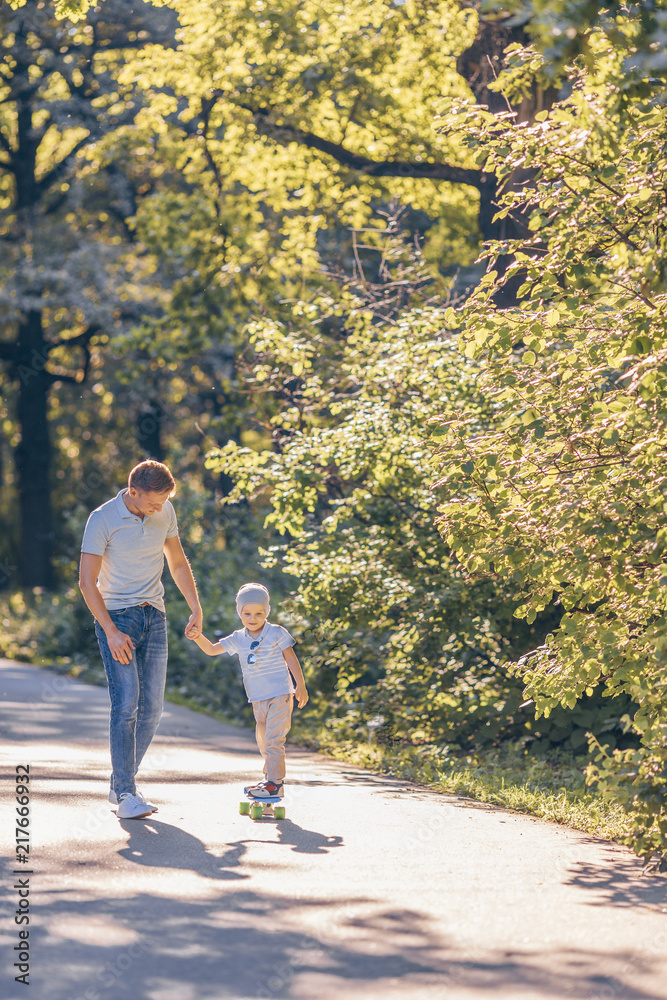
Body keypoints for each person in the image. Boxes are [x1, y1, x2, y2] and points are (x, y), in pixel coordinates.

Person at [79, 460, 203, 819]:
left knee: (154, 709)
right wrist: (111, 631)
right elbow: (87, 582)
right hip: (118, 617)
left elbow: (177, 563)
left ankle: (122, 782)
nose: (160, 508)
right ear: (133, 492)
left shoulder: (165, 511)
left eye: (165, 501)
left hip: (156, 616)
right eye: (154, 502)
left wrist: (195, 607)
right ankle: (125, 793)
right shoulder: (102, 519)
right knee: (126, 703)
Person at [189, 582, 308, 798]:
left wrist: (300, 685)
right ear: (239, 613)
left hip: (281, 693)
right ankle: (270, 781)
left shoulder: (276, 632)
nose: (253, 618)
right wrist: (198, 636)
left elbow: (290, 657)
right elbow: (212, 649)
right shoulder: (238, 638)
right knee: (263, 741)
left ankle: (274, 783)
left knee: (274, 740)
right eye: (247, 614)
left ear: (267, 612)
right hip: (257, 698)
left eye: (258, 613)